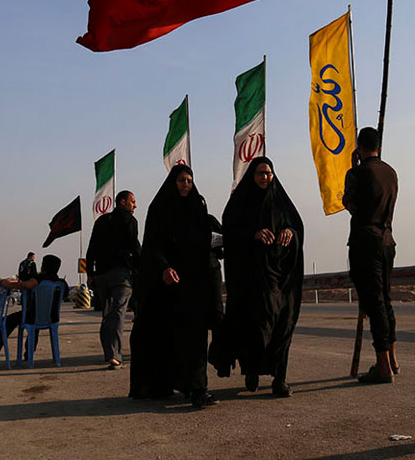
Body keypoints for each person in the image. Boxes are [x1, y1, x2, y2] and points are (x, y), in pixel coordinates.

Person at [129, 164, 221, 408]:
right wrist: (164, 268)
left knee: (197, 337)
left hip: (196, 283)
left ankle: (198, 389)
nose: (186, 185)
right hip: (169, 286)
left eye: (189, 180)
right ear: (173, 182)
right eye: (182, 180)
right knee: (171, 338)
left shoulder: (197, 208)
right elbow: (151, 245)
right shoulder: (159, 209)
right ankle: (168, 384)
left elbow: (208, 240)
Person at [212, 157, 303, 398]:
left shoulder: (280, 202)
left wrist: (289, 233)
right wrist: (253, 234)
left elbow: (297, 227)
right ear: (252, 176)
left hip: (281, 278)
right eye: (261, 173)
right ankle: (251, 370)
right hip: (251, 278)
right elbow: (229, 233)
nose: (265, 177)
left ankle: (279, 379)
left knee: (283, 325)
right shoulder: (240, 203)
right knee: (255, 327)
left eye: (269, 173)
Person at [343, 126, 399, 384]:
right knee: (385, 300)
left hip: (366, 243)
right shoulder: (390, 172)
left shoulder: (356, 173)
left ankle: (383, 366)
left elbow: (350, 204)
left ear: (359, 146)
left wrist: (353, 167)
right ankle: (392, 359)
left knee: (374, 304)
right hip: (387, 240)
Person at [0, 254, 65, 370]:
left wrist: (8, 284)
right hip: (52, 319)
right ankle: (28, 355)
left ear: (43, 267)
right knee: (35, 328)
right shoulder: (61, 283)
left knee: (5, 322)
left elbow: (27, 285)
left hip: (32, 316)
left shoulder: (40, 279)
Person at [85, 189, 140, 369]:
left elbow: (91, 248)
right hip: (121, 274)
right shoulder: (129, 220)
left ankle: (109, 353)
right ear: (122, 202)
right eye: (132, 202)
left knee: (107, 315)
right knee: (118, 313)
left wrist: (90, 273)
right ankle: (115, 355)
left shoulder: (101, 221)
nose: (135, 205)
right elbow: (134, 245)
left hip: (101, 275)